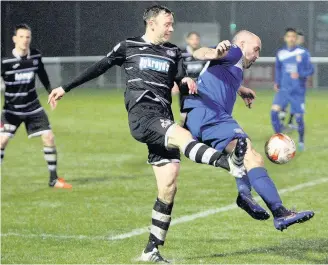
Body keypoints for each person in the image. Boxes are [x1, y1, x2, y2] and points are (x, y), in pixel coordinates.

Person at [48, 5, 245, 262]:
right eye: (167, 24)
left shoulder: (173, 52)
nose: (172, 28)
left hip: (163, 116)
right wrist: (65, 87)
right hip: (142, 115)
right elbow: (99, 67)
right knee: (184, 138)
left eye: (172, 24)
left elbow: (182, 80)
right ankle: (227, 162)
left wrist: (186, 84)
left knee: (169, 184)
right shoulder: (128, 46)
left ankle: (151, 250)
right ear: (151, 23)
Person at [183, 30, 314, 231]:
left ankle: (245, 195)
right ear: (242, 44)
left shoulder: (234, 67)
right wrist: (214, 52)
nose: (257, 55)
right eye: (256, 49)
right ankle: (280, 213)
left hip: (201, 116)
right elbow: (200, 53)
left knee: (242, 153)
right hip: (210, 114)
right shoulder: (234, 52)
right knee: (252, 156)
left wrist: (240, 89)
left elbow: (217, 72)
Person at [0, 24, 71, 189]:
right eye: (22, 37)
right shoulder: (5, 62)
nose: (25, 40)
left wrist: (50, 92)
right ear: (15, 39)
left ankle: (53, 180)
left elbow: (42, 73)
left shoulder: (35, 56)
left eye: (28, 37)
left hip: (33, 107)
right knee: (1, 141)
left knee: (49, 137)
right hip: (11, 110)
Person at [271, 28, 314, 151]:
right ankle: (279, 141)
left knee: (299, 119)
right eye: (288, 36)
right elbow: (278, 69)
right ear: (285, 38)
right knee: (274, 113)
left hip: (297, 91)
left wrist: (300, 74)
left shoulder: (303, 53)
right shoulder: (280, 53)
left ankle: (300, 142)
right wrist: (277, 82)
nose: (291, 38)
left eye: (293, 36)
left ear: (296, 39)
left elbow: (311, 70)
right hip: (284, 90)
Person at [177, 32, 207, 125]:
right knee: (185, 114)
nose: (194, 41)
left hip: (200, 87)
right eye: (192, 39)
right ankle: (183, 131)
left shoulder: (204, 53)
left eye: (196, 39)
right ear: (187, 40)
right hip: (185, 87)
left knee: (201, 112)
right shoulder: (182, 53)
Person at [280, 30, 306, 131]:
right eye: (299, 38)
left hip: (298, 84)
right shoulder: (287, 53)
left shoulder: (302, 53)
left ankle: (290, 122)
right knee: (285, 103)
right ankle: (282, 123)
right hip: (288, 83)